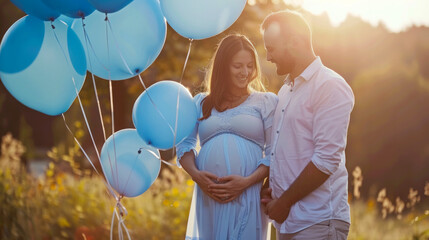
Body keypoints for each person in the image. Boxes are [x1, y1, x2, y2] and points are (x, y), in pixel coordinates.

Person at [259, 10, 355, 240]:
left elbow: (326, 159)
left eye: (271, 49)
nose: (268, 57)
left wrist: (284, 202)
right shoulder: (285, 91)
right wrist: (267, 184)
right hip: (287, 222)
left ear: (294, 42)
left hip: (319, 221)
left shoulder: (330, 86)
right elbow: (281, 151)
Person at [176, 34, 278, 239]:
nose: (245, 72)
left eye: (250, 66)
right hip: (209, 194)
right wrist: (197, 176)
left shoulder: (265, 102)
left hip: (247, 193)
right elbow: (184, 145)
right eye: (237, 66)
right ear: (223, 67)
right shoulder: (200, 103)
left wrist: (246, 181)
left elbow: (274, 152)